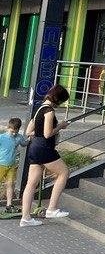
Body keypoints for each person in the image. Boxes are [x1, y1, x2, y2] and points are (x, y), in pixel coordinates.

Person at [20, 84, 72, 228]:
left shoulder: (39, 109)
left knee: (31, 184)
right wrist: (61, 126)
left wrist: (38, 134)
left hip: (34, 148)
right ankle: (52, 209)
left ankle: (25, 218)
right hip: (45, 148)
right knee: (64, 172)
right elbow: (48, 133)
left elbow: (28, 131)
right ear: (58, 99)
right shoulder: (49, 111)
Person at [0, 117, 27, 215]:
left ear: (18, 129)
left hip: (11, 165)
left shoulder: (19, 137)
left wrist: (29, 138)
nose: (14, 134)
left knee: (10, 184)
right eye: (12, 131)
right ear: (8, 127)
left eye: (16, 132)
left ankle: (9, 205)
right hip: (1, 165)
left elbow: (24, 144)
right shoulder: (2, 137)